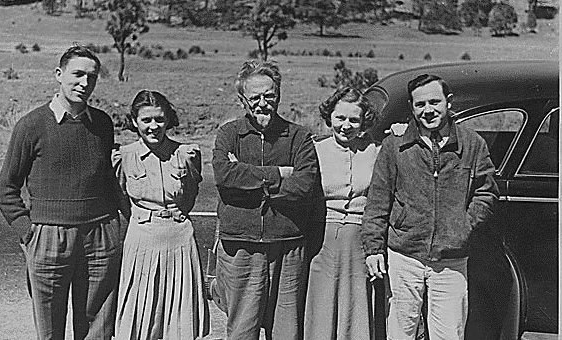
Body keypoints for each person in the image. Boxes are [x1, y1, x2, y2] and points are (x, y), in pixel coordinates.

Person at [0, 45, 123, 340]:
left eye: (91, 77)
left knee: (98, 327)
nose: (84, 83)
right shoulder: (31, 126)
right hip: (49, 237)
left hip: (100, 236)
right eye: (77, 74)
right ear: (59, 75)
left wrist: (115, 229)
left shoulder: (103, 123)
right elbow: (6, 189)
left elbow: (106, 179)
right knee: (50, 326)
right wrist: (30, 233)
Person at [361, 74, 499, 340]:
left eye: (434, 102)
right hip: (404, 255)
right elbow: (378, 200)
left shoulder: (472, 144)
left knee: (449, 333)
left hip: (452, 258)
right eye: (420, 104)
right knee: (401, 332)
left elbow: (487, 192)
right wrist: (373, 248)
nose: (428, 111)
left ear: (448, 102)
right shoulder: (395, 145)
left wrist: (463, 226)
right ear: (412, 108)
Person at [209, 60, 323, 340]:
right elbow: (225, 177)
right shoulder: (229, 134)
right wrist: (280, 174)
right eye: (254, 97)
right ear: (242, 99)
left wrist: (249, 180)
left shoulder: (299, 137)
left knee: (286, 330)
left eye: (269, 96)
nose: (262, 103)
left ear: (279, 95)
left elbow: (304, 186)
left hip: (288, 244)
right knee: (242, 329)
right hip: (242, 244)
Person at [114, 90, 210, 340]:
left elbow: (189, 196)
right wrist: (143, 218)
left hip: (179, 238)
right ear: (135, 122)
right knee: (142, 315)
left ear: (168, 120)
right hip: (141, 238)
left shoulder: (186, 154)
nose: (153, 126)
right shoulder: (123, 156)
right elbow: (122, 199)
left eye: (159, 119)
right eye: (146, 120)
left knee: (179, 316)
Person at [304, 87, 380, 340]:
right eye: (340, 118)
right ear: (330, 117)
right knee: (321, 307)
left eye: (353, 120)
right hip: (322, 240)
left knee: (355, 308)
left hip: (360, 240)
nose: (346, 126)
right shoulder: (315, 150)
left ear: (363, 122)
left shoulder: (376, 151)